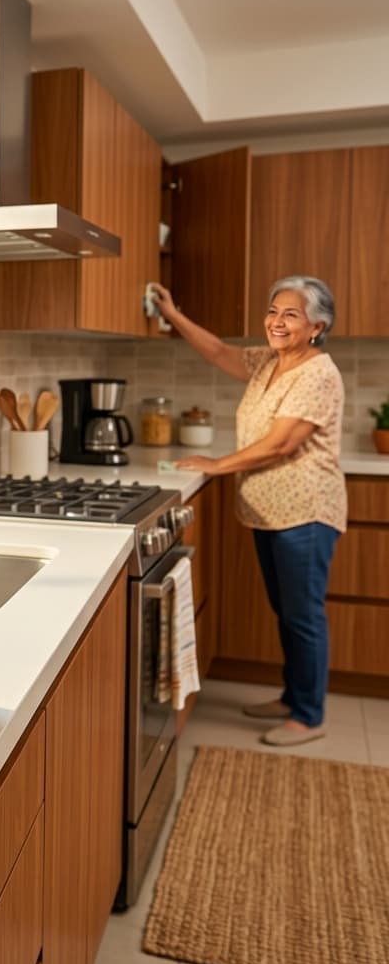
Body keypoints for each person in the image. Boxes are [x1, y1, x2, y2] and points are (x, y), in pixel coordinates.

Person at [149, 276, 346, 746]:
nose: (277, 322)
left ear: (317, 326)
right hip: (271, 512)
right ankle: (293, 696)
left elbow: (281, 445)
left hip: (306, 513)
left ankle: (308, 714)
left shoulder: (317, 372)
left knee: (302, 614)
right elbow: (219, 351)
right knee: (287, 609)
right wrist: (173, 315)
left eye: (291, 314)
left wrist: (217, 464)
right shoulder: (271, 363)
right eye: (273, 310)